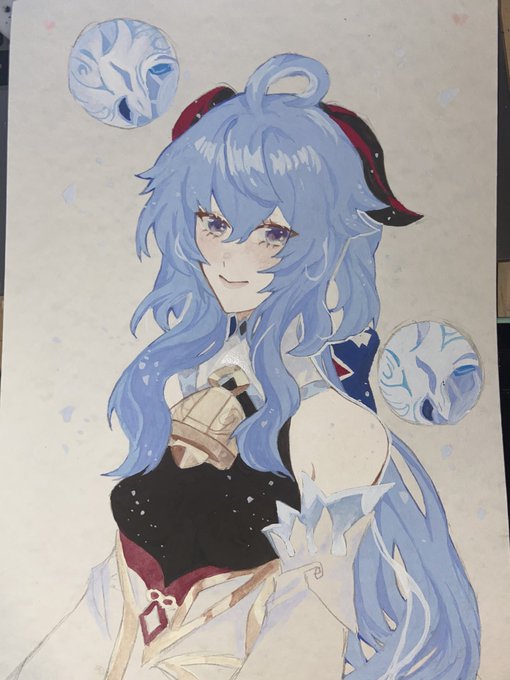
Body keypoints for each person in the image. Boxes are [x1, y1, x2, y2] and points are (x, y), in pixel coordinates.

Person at [9, 53, 480, 680]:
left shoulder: (331, 426)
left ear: (326, 245)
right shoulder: (183, 375)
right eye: (215, 222)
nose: (233, 260)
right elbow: (110, 586)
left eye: (274, 234)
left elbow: (319, 629)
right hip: (111, 632)